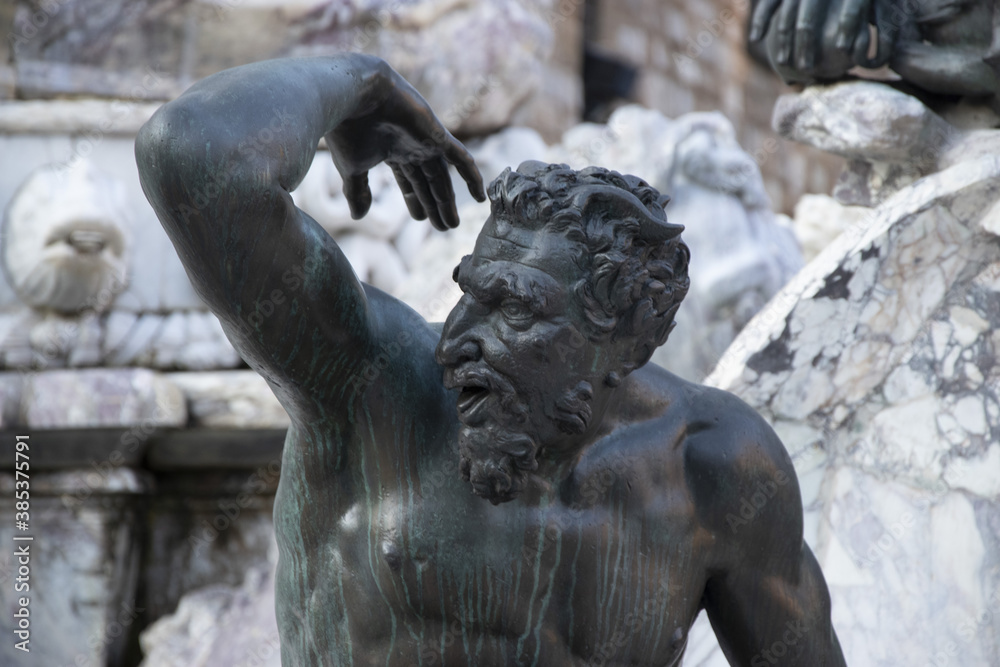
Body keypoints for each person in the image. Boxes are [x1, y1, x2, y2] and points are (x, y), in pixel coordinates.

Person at [135, 54, 846, 666]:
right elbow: (190, 152)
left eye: (517, 310)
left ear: (626, 343)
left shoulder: (716, 467)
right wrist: (359, 82)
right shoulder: (367, 381)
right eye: (469, 295)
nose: (455, 340)